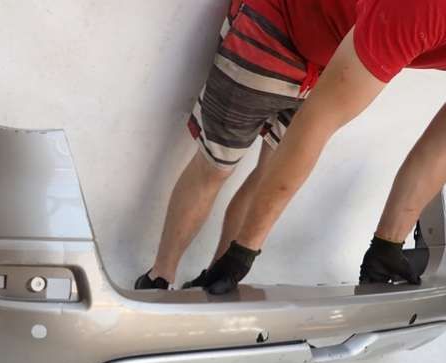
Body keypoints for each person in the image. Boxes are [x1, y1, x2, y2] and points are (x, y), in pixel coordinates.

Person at [135, 0, 446, 294]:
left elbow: (440, 150)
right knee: (216, 165)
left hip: (333, 57)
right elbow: (319, 120)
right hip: (277, 23)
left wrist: (388, 244)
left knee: (267, 173)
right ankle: (160, 278)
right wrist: (245, 250)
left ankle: (215, 279)